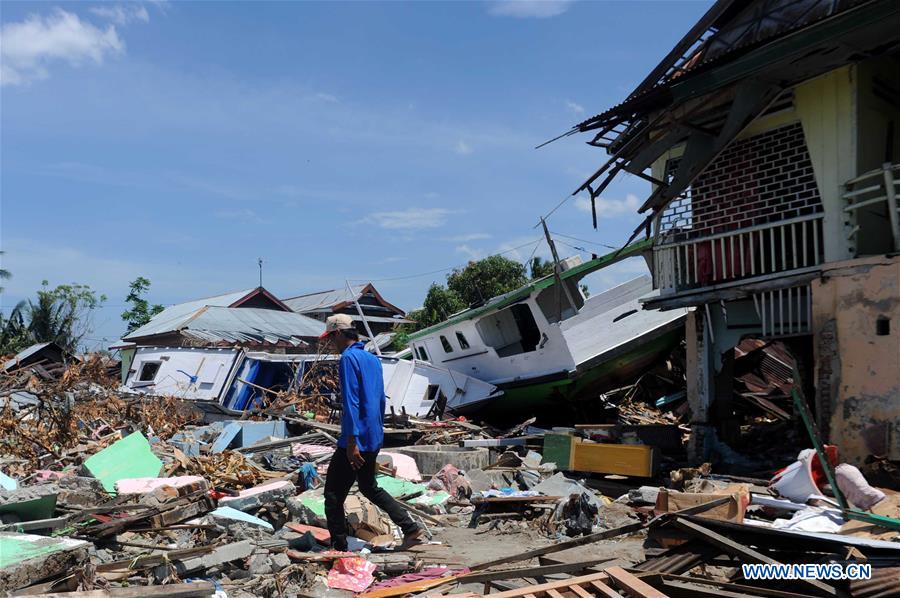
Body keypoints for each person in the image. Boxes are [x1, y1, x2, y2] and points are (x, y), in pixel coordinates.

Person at [320, 313, 423, 551]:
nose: (330, 344)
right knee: (368, 486)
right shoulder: (372, 358)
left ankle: (338, 547)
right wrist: (372, 434)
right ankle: (410, 528)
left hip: (355, 440)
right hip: (373, 437)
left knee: (333, 495)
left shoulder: (348, 358)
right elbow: (378, 401)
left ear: (337, 334)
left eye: (330, 338)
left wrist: (351, 441)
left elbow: (351, 402)